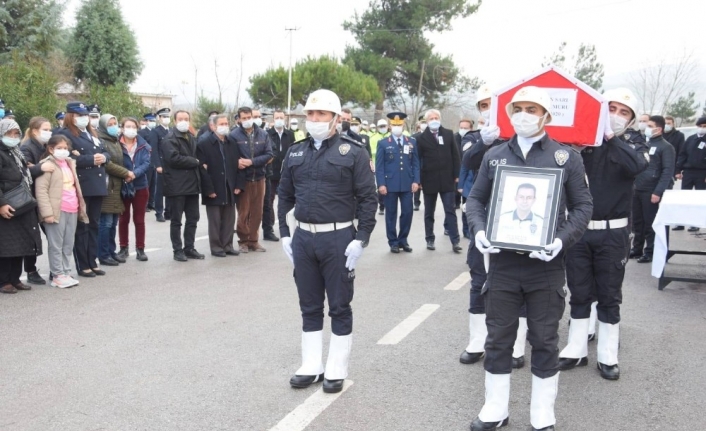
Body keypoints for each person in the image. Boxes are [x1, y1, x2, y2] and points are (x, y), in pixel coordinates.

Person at [467, 86, 593, 431]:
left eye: (532, 109)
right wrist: (479, 231)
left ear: (546, 116)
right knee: (499, 338)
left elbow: (583, 206)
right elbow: (476, 200)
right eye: (518, 108)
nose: (524, 114)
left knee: (544, 338)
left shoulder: (566, 157)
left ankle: (542, 412)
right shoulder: (494, 156)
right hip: (504, 264)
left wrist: (561, 241)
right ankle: (495, 407)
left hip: (547, 266)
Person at [278, 89, 377, 394]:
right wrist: (284, 233)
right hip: (304, 237)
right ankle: (311, 365)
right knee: (308, 304)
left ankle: (336, 367)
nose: (314, 119)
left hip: (338, 237)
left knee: (339, 305)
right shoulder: (295, 152)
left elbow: (368, 199)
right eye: (310, 114)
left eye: (321, 114)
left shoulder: (354, 152)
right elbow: (284, 195)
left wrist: (361, 239)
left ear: (335, 119)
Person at [558, 88, 648, 381]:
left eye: (624, 112)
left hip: (614, 233)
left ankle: (608, 354)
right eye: (612, 109)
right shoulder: (583, 144)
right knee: (580, 291)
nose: (616, 116)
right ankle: (576, 347)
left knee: (609, 295)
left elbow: (636, 166)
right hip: (580, 231)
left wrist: (611, 138)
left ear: (632, 119)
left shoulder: (632, 144)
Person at [459, 83, 528, 369]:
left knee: (521, 281)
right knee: (479, 279)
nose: (490, 109)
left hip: (518, 215)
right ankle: (478, 340)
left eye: (494, 103)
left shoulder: (520, 135)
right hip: (486, 217)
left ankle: (517, 344)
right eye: (485, 105)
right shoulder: (479, 137)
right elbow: (467, 161)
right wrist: (484, 142)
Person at [56, 102, 109, 278]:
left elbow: (104, 151)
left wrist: (104, 157)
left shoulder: (92, 133)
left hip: (98, 184)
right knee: (82, 226)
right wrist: (89, 159)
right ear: (71, 116)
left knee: (94, 224)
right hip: (82, 184)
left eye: (85, 115)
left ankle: (92, 261)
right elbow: (66, 156)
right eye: (79, 115)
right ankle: (83, 264)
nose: (84, 118)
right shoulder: (65, 134)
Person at [35, 135, 88, 288]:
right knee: (56, 244)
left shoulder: (70, 163)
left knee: (68, 243)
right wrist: (47, 214)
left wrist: (80, 207)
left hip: (72, 208)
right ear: (51, 149)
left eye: (65, 148)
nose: (63, 151)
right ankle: (57, 274)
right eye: (59, 148)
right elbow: (41, 191)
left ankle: (65, 271)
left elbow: (74, 186)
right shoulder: (46, 165)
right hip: (56, 210)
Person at [0, 118, 43, 294]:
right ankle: (3, 281)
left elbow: (26, 173)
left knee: (20, 244)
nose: (13, 136)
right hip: (7, 204)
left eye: (16, 133)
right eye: (9, 133)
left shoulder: (16, 151)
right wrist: (1, 204)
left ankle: (15, 278)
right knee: (6, 245)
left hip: (22, 204)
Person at [197, 114, 244, 257]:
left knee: (229, 219)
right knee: (215, 220)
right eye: (221, 124)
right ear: (213, 126)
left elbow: (239, 165)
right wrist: (208, 189)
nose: (224, 126)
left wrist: (238, 184)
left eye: (226, 123)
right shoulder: (204, 144)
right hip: (214, 187)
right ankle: (216, 247)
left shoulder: (232, 142)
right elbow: (202, 169)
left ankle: (227, 245)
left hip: (230, 186)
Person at [161, 110, 205, 262]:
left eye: (186, 119)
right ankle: (177, 250)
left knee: (193, 218)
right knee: (176, 220)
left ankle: (189, 247)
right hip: (176, 186)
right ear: (175, 120)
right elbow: (174, 159)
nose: (184, 121)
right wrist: (195, 161)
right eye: (180, 119)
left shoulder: (191, 137)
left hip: (192, 185)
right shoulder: (169, 138)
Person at [630, 115, 675, 264]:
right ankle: (637, 248)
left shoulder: (666, 147)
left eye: (649, 125)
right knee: (637, 221)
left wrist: (658, 191)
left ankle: (650, 251)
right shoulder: (644, 144)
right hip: (638, 187)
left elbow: (667, 172)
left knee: (650, 222)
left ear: (658, 129)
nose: (646, 127)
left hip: (651, 190)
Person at [416, 109, 462, 253]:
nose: (434, 120)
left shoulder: (448, 134)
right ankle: (429, 239)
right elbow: (418, 160)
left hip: (447, 179)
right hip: (429, 179)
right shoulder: (421, 138)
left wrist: (457, 174)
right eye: (431, 118)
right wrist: (419, 180)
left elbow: (455, 155)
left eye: (436, 117)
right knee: (429, 211)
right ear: (427, 121)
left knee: (450, 210)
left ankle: (455, 241)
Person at [230, 106, 273, 253]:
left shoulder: (263, 134)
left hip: (260, 177)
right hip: (243, 179)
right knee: (243, 211)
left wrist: (251, 162)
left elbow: (269, 155)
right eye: (244, 118)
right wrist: (237, 162)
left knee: (257, 211)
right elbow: (230, 155)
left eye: (249, 117)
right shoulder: (234, 135)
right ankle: (243, 241)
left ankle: (254, 240)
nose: (247, 120)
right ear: (239, 119)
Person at [375, 112, 420, 253]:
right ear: (390, 126)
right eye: (394, 125)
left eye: (399, 125)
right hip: (390, 185)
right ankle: (393, 241)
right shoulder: (383, 143)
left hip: (407, 183)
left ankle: (403, 240)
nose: (397, 127)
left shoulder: (411, 141)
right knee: (391, 214)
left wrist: (416, 181)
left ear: (403, 125)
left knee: (407, 213)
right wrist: (381, 184)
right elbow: (379, 166)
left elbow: (416, 163)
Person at [20, 116, 54, 285]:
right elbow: (25, 172)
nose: (49, 133)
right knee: (32, 236)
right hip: (31, 198)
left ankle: (56, 269)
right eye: (45, 130)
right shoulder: (26, 147)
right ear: (34, 131)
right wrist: (40, 167)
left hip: (45, 197)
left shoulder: (45, 146)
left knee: (53, 233)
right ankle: (31, 270)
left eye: (50, 130)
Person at [96, 114, 132, 267]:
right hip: (107, 185)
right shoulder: (101, 141)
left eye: (114, 123)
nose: (113, 126)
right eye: (109, 124)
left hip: (117, 185)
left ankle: (111, 251)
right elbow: (107, 164)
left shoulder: (115, 140)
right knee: (106, 222)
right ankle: (103, 254)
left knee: (113, 222)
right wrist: (125, 173)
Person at [117, 118, 151, 262]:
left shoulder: (144, 145)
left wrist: (134, 174)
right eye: (128, 126)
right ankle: (123, 248)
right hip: (122, 185)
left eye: (133, 126)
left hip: (140, 186)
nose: (131, 129)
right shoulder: (116, 144)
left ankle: (140, 249)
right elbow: (114, 162)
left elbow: (146, 163)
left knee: (139, 219)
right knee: (123, 219)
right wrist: (125, 174)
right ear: (122, 128)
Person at [263, 109, 295, 242]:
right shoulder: (267, 134)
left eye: (281, 117)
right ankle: (268, 229)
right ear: (273, 119)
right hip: (271, 173)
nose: (279, 120)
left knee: (288, 200)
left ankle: (289, 225)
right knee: (268, 202)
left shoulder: (290, 134)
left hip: (287, 173)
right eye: (277, 117)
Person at [673, 117, 706, 232]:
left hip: (702, 173)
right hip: (688, 172)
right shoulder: (691, 139)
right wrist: (678, 170)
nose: (702, 129)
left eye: (704, 126)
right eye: (700, 126)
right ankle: (681, 223)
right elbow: (682, 155)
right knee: (684, 198)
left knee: (698, 199)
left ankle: (696, 223)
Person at [149, 108, 172, 222]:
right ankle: (159, 212)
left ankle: (168, 211)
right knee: (159, 191)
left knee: (170, 189)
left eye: (167, 116)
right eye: (164, 116)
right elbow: (154, 150)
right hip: (161, 164)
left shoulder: (171, 130)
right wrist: (157, 164)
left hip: (171, 165)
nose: (166, 119)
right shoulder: (156, 131)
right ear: (159, 118)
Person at [370, 119, 390, 215]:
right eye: (381, 126)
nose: (383, 128)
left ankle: (389, 205)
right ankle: (381, 205)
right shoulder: (373, 138)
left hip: (390, 165)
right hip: (377, 165)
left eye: (384, 126)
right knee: (380, 186)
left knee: (390, 186)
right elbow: (370, 150)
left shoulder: (390, 136)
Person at [139, 113, 156, 212]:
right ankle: (144, 204)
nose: (152, 123)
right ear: (146, 121)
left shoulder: (155, 131)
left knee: (154, 183)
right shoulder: (142, 132)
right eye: (150, 121)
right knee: (147, 183)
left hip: (154, 160)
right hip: (146, 159)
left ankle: (151, 203)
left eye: (154, 120)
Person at [455, 119, 474, 209]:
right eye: (461, 127)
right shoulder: (454, 138)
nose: (463, 130)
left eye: (465, 128)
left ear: (471, 128)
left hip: (469, 172)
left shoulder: (474, 139)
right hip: (457, 170)